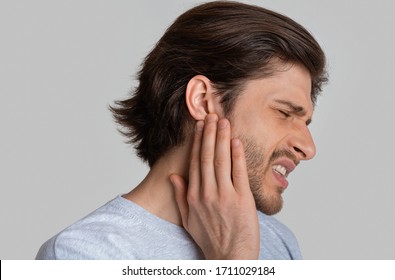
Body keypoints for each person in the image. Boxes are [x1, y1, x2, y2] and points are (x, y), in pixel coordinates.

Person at [36, 1, 327, 260]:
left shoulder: (279, 243)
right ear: (202, 101)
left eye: (306, 123)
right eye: (284, 112)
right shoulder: (83, 254)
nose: (308, 147)